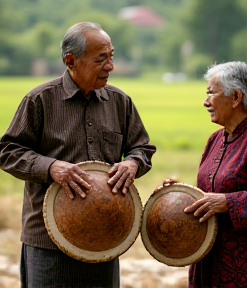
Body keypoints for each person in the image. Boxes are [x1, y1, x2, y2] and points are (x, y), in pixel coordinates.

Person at [0, 21, 156, 288]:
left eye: (111, 57)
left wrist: (132, 163)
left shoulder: (120, 102)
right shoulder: (39, 100)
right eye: (101, 59)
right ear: (71, 61)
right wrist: (50, 167)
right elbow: (8, 152)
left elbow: (142, 149)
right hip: (48, 243)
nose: (110, 66)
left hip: (104, 241)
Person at [159, 61, 247, 287]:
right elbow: (212, 194)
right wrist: (177, 195)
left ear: (236, 98)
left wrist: (229, 203)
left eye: (211, 93)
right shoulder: (215, 141)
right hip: (210, 256)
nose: (205, 102)